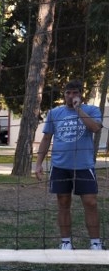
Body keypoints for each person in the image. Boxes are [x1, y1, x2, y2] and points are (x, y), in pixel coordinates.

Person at [34, 79, 103, 250]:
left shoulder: (92, 110)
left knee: (91, 203)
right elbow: (46, 138)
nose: (71, 96)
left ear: (81, 94)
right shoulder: (54, 113)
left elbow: (95, 128)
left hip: (84, 166)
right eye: (68, 93)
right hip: (60, 166)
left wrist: (78, 109)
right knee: (63, 203)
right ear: (64, 94)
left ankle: (95, 244)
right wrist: (38, 163)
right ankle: (66, 242)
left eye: (75, 93)